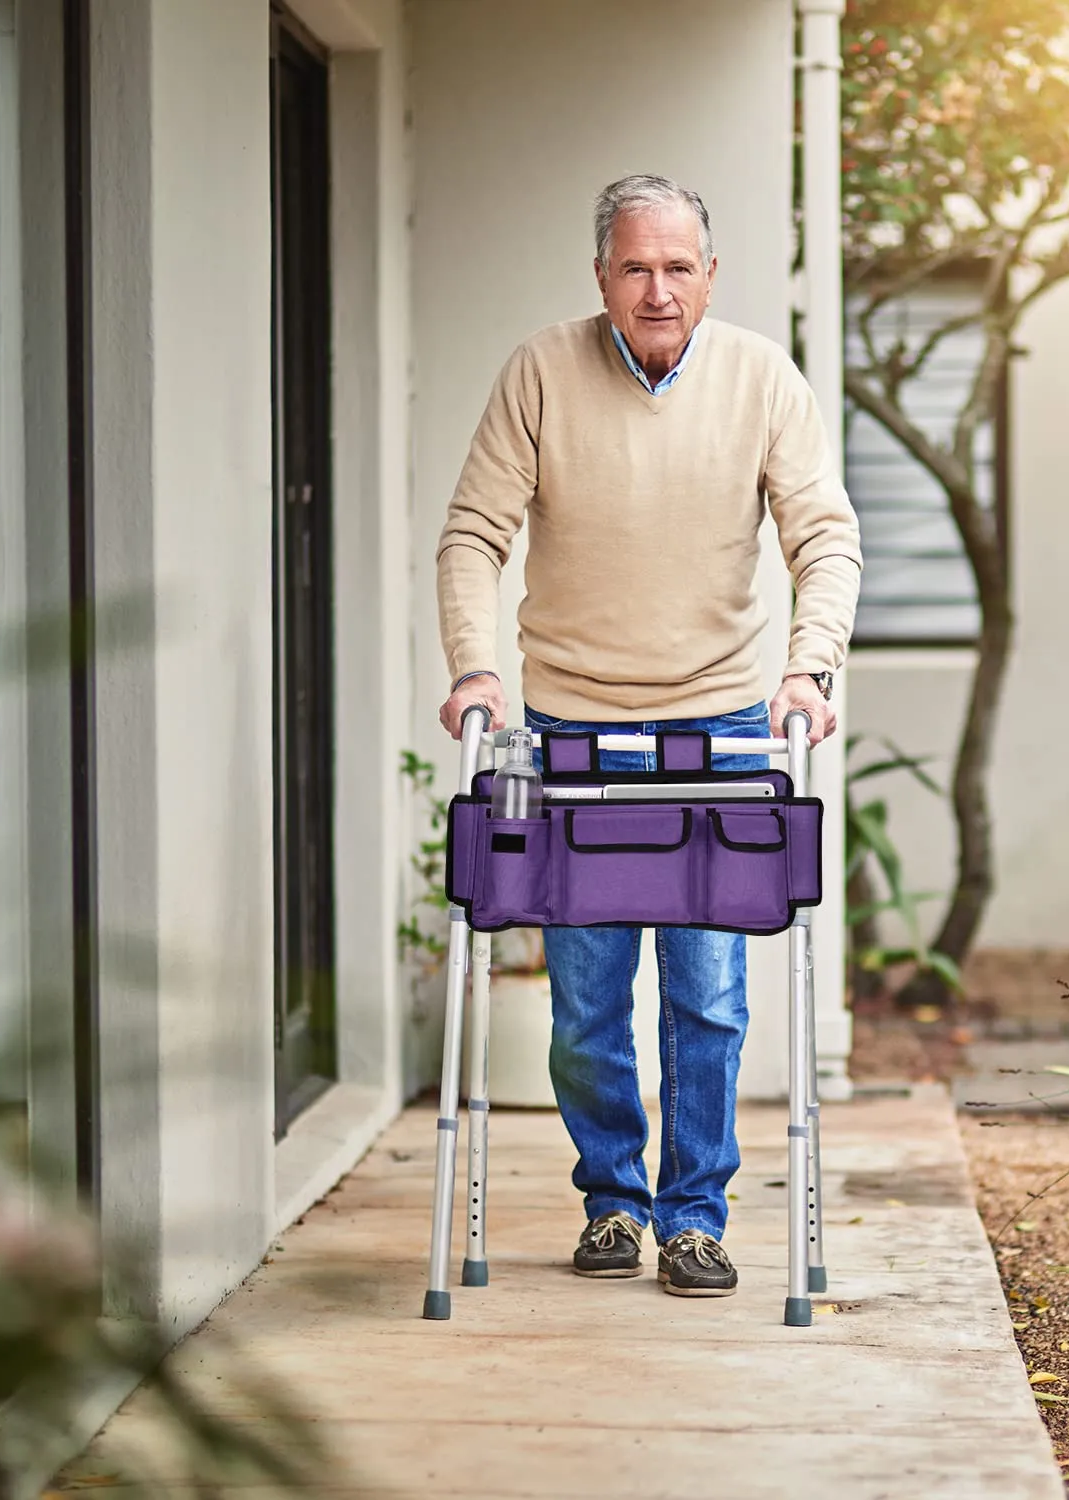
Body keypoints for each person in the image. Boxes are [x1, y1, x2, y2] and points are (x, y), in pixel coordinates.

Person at [435, 174, 860, 1297]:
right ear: (601, 278)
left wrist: (807, 668)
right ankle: (614, 1202)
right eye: (635, 267)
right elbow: (473, 533)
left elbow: (826, 537)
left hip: (717, 723)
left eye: (679, 267)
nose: (658, 289)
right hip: (572, 724)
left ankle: (695, 1217)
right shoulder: (540, 371)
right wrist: (475, 666)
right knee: (584, 1004)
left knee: (708, 996)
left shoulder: (762, 378)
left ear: (711, 275)